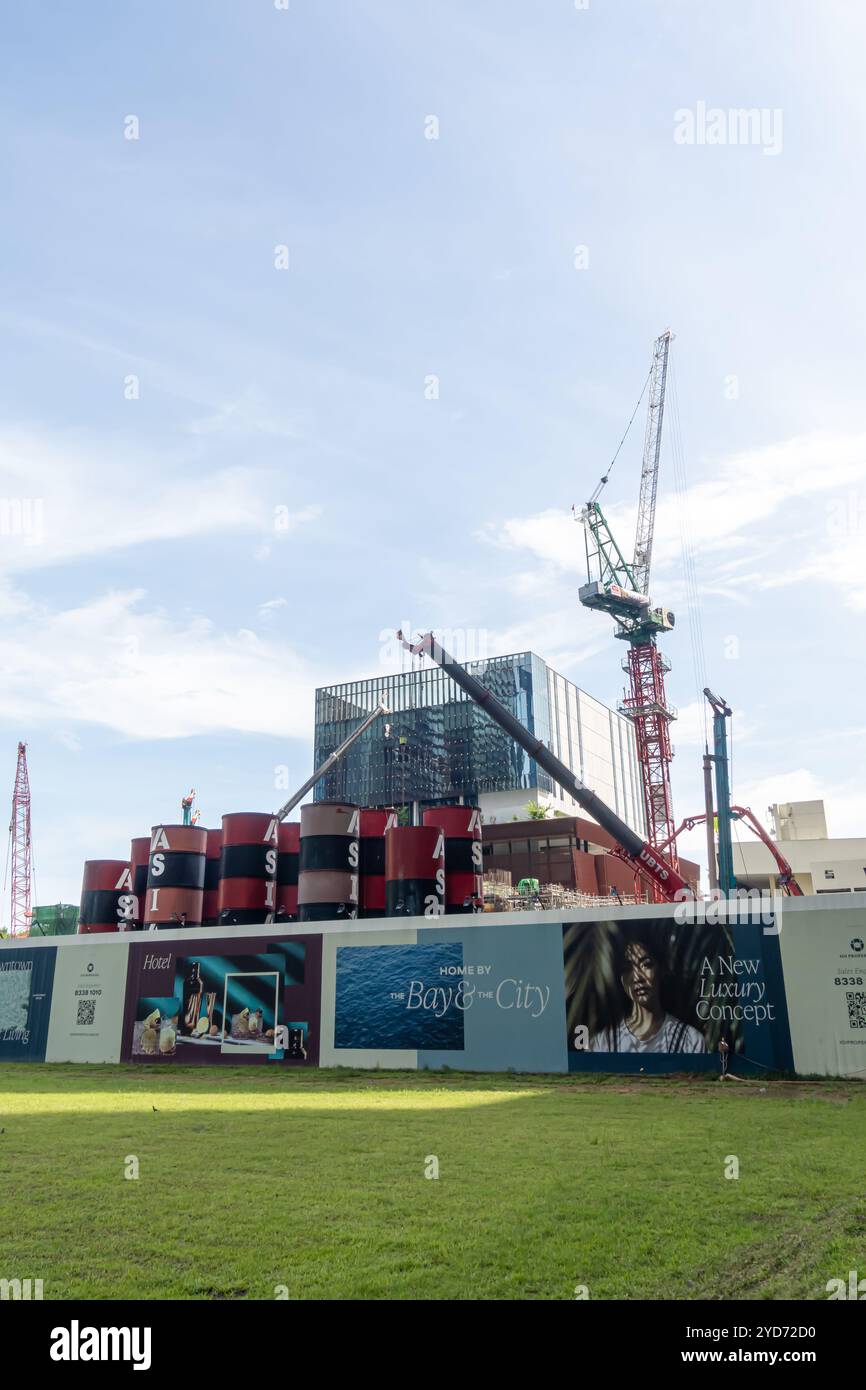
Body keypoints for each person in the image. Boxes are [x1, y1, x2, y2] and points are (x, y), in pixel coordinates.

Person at [589, 935, 706, 1054]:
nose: (637, 977)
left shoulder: (690, 1041)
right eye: (627, 968)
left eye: (646, 965)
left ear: (662, 969)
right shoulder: (604, 1043)